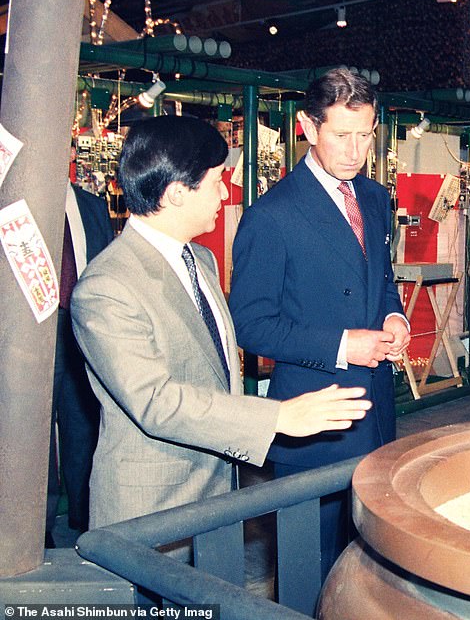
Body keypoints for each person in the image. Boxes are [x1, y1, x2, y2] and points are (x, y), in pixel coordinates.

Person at [70, 115, 371, 530]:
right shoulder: (108, 287)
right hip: (153, 508)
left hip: (214, 495)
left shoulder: (201, 260)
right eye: (216, 182)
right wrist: (276, 418)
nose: (225, 191)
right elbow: (156, 401)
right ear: (177, 193)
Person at [229, 68, 410, 580]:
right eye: (341, 135)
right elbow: (251, 323)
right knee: (310, 576)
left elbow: (381, 279)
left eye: (366, 135)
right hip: (314, 424)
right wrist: (341, 345)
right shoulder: (272, 215)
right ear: (309, 128)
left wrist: (393, 316)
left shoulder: (374, 198)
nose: (355, 151)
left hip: (376, 417)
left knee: (367, 569)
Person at [46, 180, 113, 547]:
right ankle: (39, 522)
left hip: (84, 323)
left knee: (84, 420)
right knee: (37, 431)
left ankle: (84, 515)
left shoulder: (92, 205)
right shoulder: (24, 202)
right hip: (35, 333)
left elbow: (104, 259)